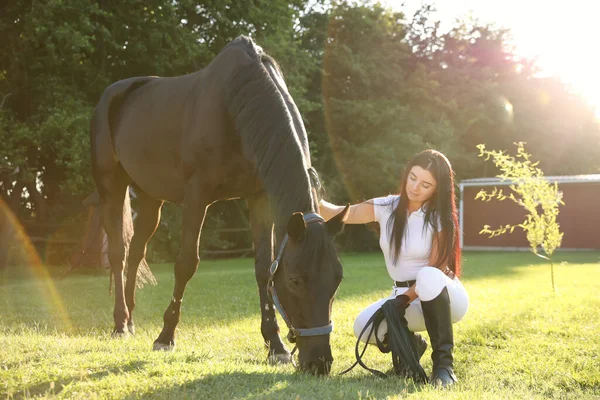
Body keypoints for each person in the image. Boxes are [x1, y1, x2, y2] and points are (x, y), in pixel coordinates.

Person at [319, 149, 469, 387]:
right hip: (404, 296)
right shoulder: (387, 206)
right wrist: (309, 191)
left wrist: (402, 300)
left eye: (425, 184)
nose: (415, 187)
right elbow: (339, 214)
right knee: (363, 326)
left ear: (437, 189)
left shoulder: (439, 216)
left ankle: (443, 368)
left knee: (428, 275)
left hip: (444, 295)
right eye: (413, 177)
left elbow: (437, 267)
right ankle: (411, 346)